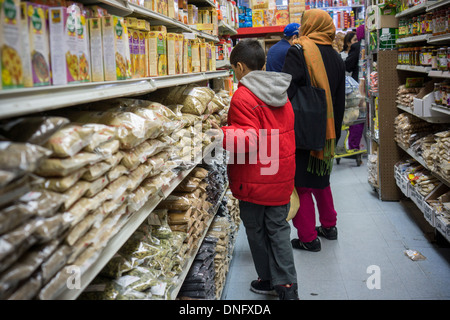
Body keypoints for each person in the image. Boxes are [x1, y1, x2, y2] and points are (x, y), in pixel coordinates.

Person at [219, 39, 298, 299]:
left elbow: (249, 140)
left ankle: (266, 279)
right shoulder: (279, 89)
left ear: (240, 67)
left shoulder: (243, 95)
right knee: (278, 229)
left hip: (254, 176)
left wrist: (219, 134)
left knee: (256, 229)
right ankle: (287, 286)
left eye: (233, 69)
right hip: (279, 171)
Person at [282, 9, 345, 252]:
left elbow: (286, 90)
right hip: (329, 131)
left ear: (309, 25)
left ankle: (308, 238)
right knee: (321, 178)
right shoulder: (336, 56)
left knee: (302, 184)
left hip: (305, 130)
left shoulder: (298, 51)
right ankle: (329, 226)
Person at [345, 25, 365, 151]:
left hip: (360, 85)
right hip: (374, 82)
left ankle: (354, 146)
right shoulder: (372, 44)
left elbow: (347, 66)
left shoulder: (357, 47)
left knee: (358, 115)